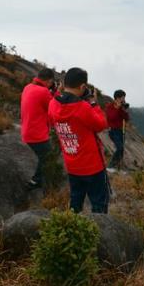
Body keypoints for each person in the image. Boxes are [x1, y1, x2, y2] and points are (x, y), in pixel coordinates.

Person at [48, 67, 110, 213]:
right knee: (99, 203)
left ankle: (73, 229)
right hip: (93, 166)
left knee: (76, 202)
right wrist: (93, 103)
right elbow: (100, 125)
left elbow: (52, 122)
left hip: (72, 164)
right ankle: (98, 233)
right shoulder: (83, 107)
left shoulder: (53, 104)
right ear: (82, 86)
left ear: (64, 83)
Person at [20, 68, 56, 190]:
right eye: (51, 82)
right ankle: (36, 181)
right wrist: (55, 93)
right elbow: (54, 108)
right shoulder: (44, 92)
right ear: (49, 81)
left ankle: (38, 179)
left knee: (44, 156)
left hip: (26, 131)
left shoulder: (27, 87)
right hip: (37, 134)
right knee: (48, 156)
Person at [105, 89, 129, 171]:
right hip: (113, 131)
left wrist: (124, 111)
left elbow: (126, 118)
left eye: (124, 98)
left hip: (121, 131)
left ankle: (119, 167)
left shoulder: (122, 107)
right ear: (117, 98)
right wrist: (117, 108)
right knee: (119, 148)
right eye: (122, 97)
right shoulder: (110, 106)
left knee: (121, 150)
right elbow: (111, 118)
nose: (123, 99)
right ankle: (111, 166)